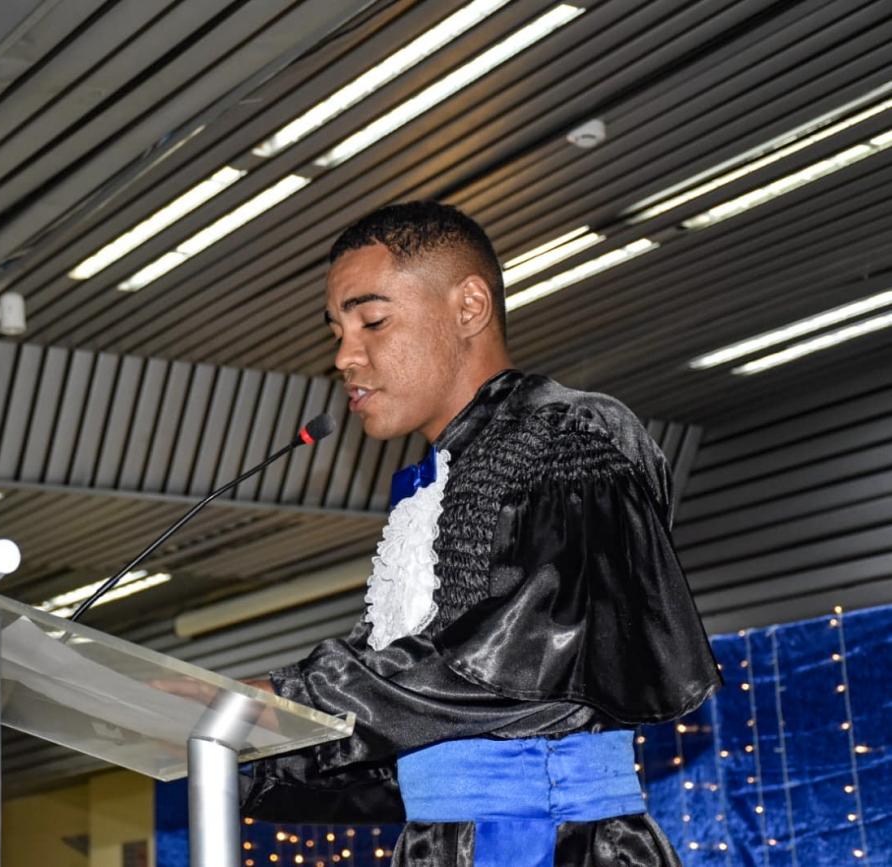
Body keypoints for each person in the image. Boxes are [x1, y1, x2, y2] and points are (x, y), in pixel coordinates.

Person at [239, 201, 721, 866]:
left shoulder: (569, 435)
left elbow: (519, 653)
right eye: (337, 331)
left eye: (372, 320)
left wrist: (283, 699)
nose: (344, 355)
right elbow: (413, 720)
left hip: (549, 842)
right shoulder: (438, 482)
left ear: (469, 306)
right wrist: (251, 743)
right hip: (444, 841)